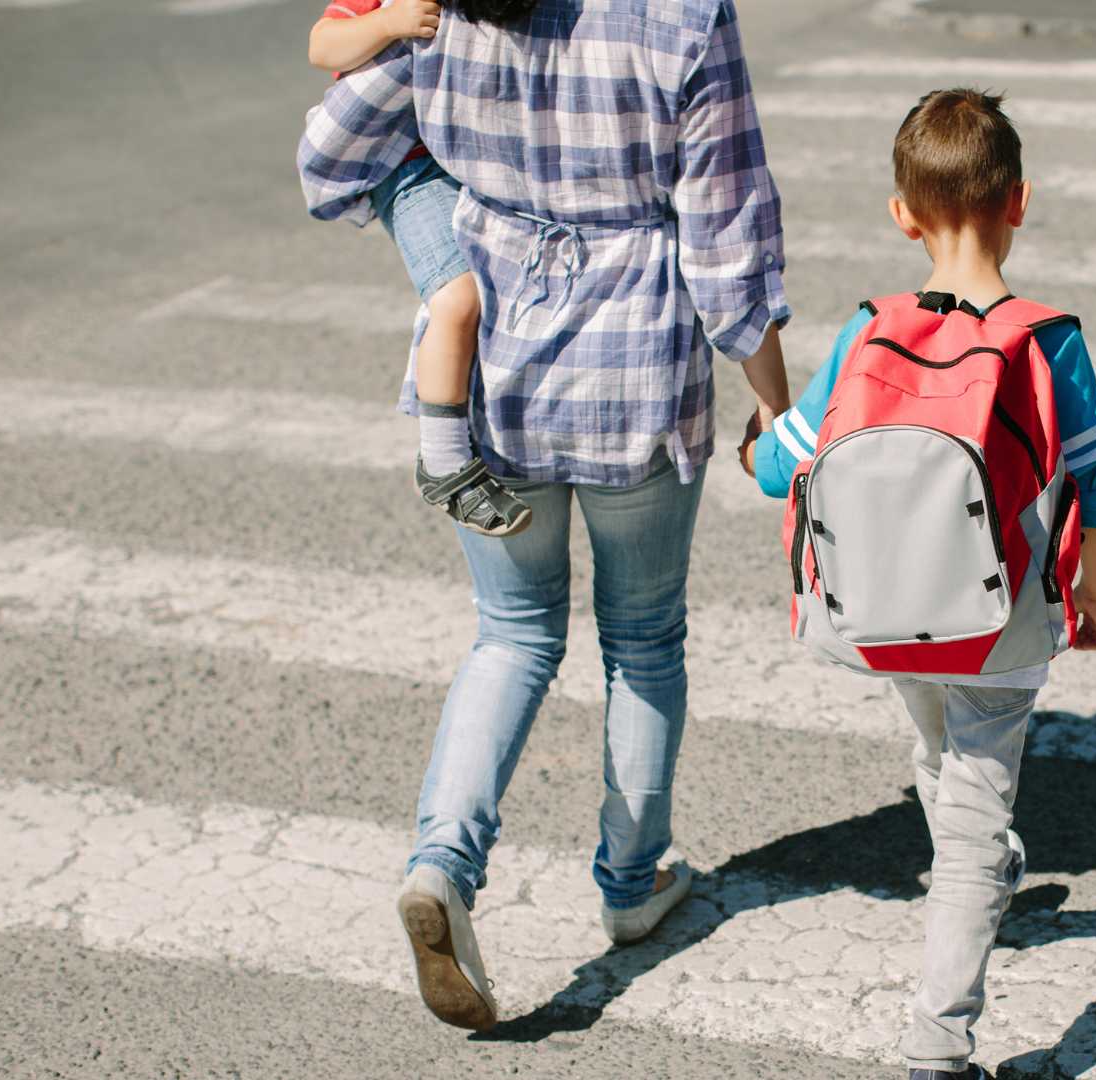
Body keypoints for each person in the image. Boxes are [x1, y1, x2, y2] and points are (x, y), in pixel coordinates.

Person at [297, 0, 792, 1033]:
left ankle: (442, 864)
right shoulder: (683, 17)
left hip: (494, 375)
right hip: (637, 370)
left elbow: (333, 150)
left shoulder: (457, 4)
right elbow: (725, 230)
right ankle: (630, 880)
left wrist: (449, 237)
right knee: (644, 638)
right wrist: (775, 408)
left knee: (512, 637)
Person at [746, 88, 1096, 1080]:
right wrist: (1093, 595)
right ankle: (937, 1043)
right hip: (996, 619)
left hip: (880, 611)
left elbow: (785, 463)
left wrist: (758, 448)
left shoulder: (870, 330)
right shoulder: (1049, 340)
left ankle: (981, 868)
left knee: (935, 755)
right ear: (1020, 203)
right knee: (973, 817)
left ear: (902, 216)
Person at [305, 0, 530, 536]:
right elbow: (322, 46)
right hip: (409, 168)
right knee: (458, 295)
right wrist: (387, 22)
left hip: (483, 157)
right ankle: (445, 461)